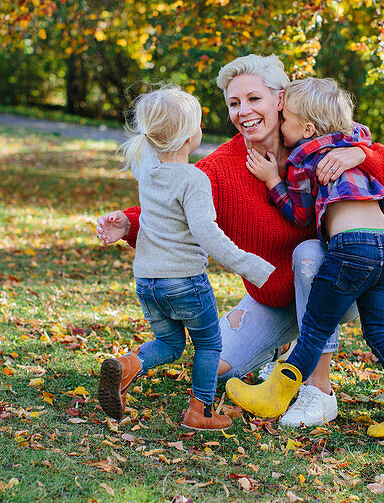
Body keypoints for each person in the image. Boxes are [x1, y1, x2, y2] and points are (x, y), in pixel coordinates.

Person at [95, 55, 384, 427]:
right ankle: (278, 352)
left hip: (335, 286)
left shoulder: (322, 140)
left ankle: (319, 390)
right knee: (214, 367)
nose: (243, 111)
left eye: (253, 99)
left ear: (280, 99)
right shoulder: (221, 168)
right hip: (271, 295)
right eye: (234, 103)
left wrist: (361, 152)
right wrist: (127, 223)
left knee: (309, 252)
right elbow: (175, 203)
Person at [232, 78, 384, 438]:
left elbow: (301, 216)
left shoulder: (305, 156)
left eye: (286, 121)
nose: (283, 127)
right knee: (382, 333)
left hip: (350, 250)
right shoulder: (354, 139)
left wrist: (275, 180)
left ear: (307, 128)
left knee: (314, 330)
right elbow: (365, 137)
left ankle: (274, 397)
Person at [96, 86, 274, 431]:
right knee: (209, 344)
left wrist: (127, 221)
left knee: (170, 343)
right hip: (185, 282)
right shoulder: (194, 179)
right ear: (190, 135)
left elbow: (151, 215)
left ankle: (128, 365)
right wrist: (250, 265)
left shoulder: (149, 174)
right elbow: (206, 233)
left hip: (147, 282)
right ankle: (200, 412)